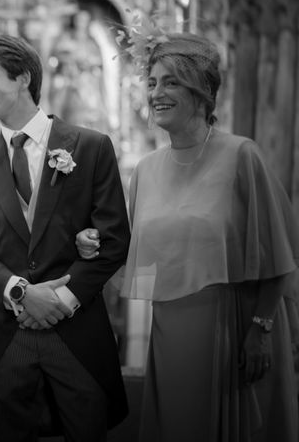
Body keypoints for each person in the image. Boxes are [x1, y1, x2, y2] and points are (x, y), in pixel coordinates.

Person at [77, 31, 299, 441]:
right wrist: (92, 243)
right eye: (152, 83)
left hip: (233, 325)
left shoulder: (241, 156)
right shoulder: (145, 169)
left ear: (203, 92)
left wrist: (260, 328)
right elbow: (136, 256)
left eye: (171, 82)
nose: (156, 93)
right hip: (170, 328)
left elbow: (277, 253)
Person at [0, 34, 130, 441]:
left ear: (22, 78)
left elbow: (114, 238)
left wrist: (60, 301)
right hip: (7, 339)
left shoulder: (90, 147)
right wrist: (21, 293)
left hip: (77, 333)